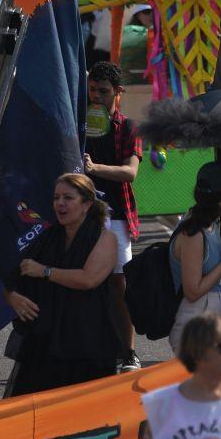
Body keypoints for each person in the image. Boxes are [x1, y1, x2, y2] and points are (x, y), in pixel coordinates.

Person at [4, 172, 121, 394]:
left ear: (86, 204)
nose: (60, 204)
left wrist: (45, 271)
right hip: (44, 344)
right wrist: (13, 297)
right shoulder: (48, 236)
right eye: (56, 197)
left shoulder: (105, 238)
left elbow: (89, 279)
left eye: (68, 198)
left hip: (86, 344)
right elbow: (14, 277)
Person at [81, 61, 142, 369]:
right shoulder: (81, 122)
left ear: (118, 92)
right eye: (92, 89)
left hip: (116, 216)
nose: (96, 96)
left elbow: (130, 173)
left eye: (103, 91)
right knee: (85, 282)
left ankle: (128, 352)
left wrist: (95, 169)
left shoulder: (129, 127)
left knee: (118, 285)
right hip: (84, 216)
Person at [169, 161, 221, 355]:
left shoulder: (207, 223)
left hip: (209, 320)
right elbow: (193, 291)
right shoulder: (193, 232)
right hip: (197, 325)